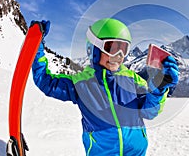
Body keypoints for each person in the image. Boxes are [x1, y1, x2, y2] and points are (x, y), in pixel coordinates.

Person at [32, 18, 179, 156]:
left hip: (136, 151)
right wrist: (35, 45)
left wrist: (158, 89)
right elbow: (46, 82)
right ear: (94, 49)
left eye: (124, 48)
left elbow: (149, 112)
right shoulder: (81, 84)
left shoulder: (132, 80)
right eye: (112, 48)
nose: (119, 56)